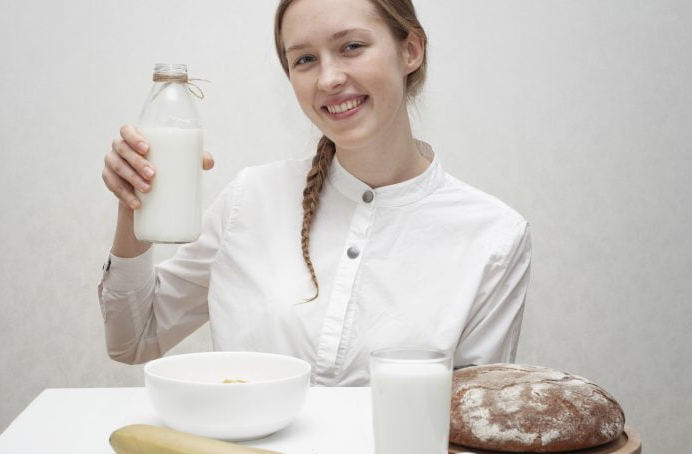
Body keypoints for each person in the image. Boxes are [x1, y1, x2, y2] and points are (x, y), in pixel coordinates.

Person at [98, 0, 531, 386]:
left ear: (410, 50)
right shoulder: (249, 199)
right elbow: (133, 340)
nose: (328, 78)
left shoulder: (494, 237)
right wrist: (133, 204)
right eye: (304, 59)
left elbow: (473, 422)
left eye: (352, 47)